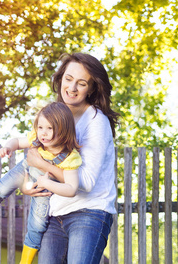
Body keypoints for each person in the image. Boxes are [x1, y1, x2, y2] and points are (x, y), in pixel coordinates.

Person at [26, 52, 119, 263]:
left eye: (81, 83)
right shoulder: (56, 119)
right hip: (54, 214)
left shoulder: (96, 121)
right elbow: (40, 166)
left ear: (92, 88)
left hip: (89, 213)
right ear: (60, 79)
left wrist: (40, 163)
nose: (72, 88)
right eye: (68, 79)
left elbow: (84, 182)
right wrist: (29, 185)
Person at [0, 102, 82, 264]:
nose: (44, 133)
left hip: (44, 188)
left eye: (50, 128)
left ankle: (25, 261)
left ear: (64, 129)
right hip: (24, 171)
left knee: (38, 224)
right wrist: (8, 147)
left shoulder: (70, 156)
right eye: (40, 127)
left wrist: (47, 183)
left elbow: (72, 189)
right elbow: (18, 141)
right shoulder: (37, 138)